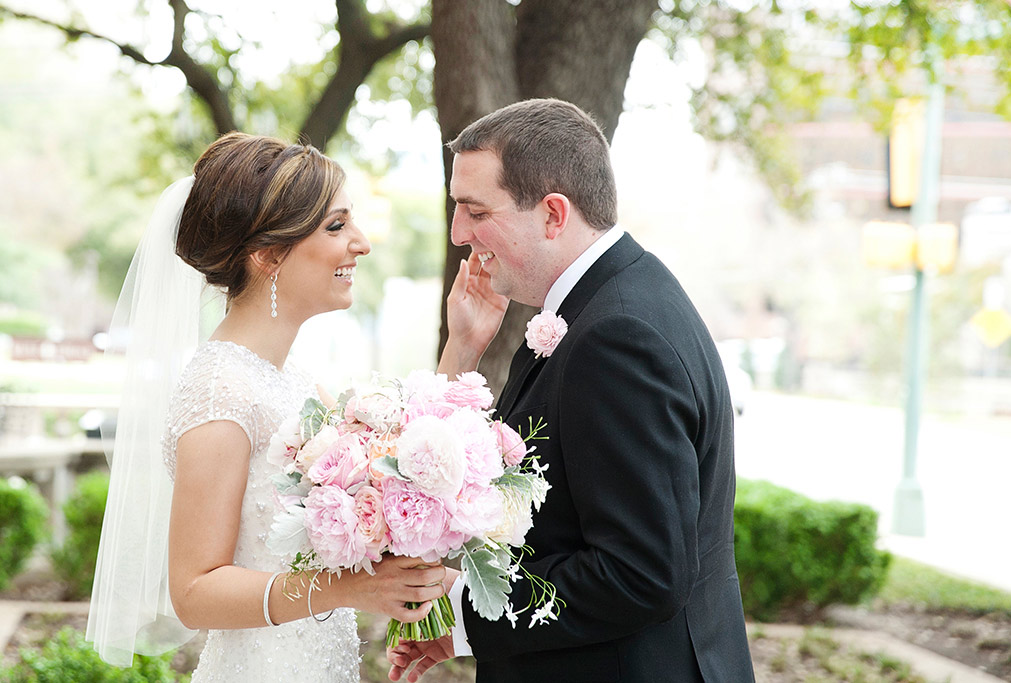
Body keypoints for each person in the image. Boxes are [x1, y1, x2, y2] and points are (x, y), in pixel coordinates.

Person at [86, 132, 501, 681]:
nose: (362, 242)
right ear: (267, 255)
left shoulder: (293, 378)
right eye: (336, 225)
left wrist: (462, 344)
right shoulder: (220, 390)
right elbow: (195, 590)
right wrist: (351, 588)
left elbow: (395, 477)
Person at [387, 99, 755, 682]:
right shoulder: (607, 304)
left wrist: (465, 613)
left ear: (553, 214)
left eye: (475, 211)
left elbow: (640, 574)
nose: (459, 234)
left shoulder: (616, 337)